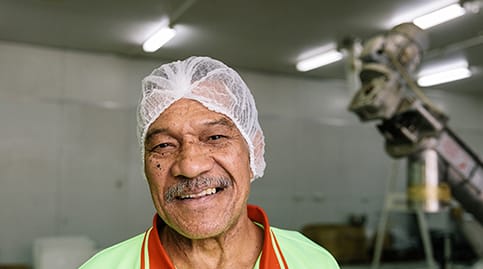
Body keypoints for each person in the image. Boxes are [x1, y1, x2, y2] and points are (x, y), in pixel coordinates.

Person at [80, 56, 339, 269]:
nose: (190, 166)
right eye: (163, 146)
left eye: (215, 137)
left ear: (254, 150)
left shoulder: (313, 261)